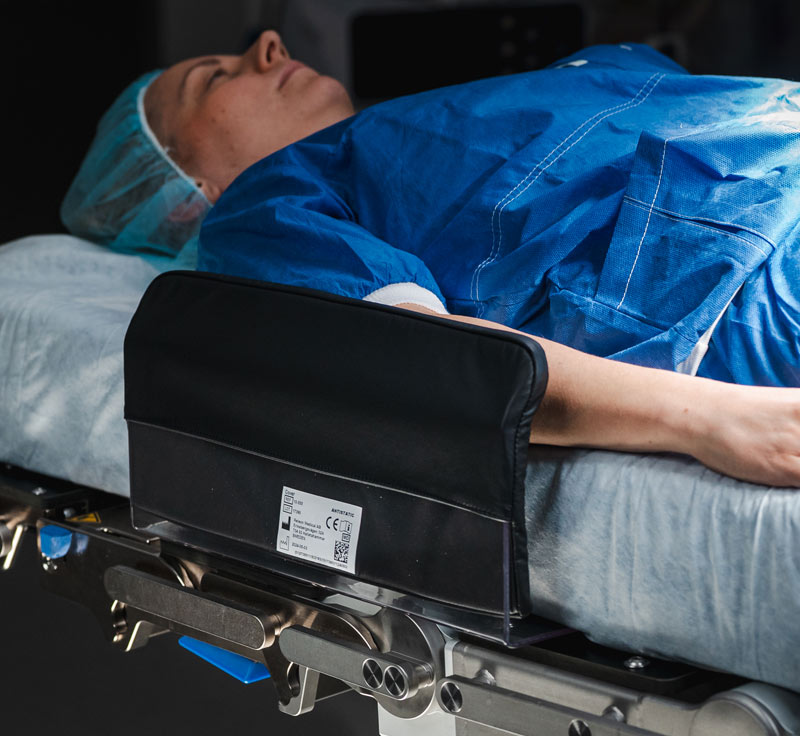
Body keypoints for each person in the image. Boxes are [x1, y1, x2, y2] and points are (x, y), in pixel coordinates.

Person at [62, 30, 800, 488]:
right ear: (188, 196)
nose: (268, 45)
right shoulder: (261, 210)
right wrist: (707, 420)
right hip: (745, 282)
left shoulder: (444, 121)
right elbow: (433, 364)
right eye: (214, 78)